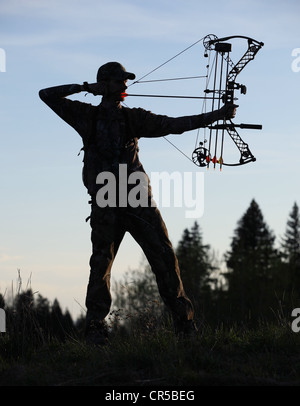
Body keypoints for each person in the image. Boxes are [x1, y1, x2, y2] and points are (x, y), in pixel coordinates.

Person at [39, 62, 236, 345]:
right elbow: (45, 94)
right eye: (119, 82)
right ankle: (95, 328)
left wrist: (215, 115)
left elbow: (173, 124)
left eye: (125, 81)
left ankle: (185, 326)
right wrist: (84, 88)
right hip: (106, 201)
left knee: (165, 259)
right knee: (101, 264)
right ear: (104, 85)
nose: (125, 86)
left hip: (137, 200)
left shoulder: (133, 118)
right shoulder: (86, 115)